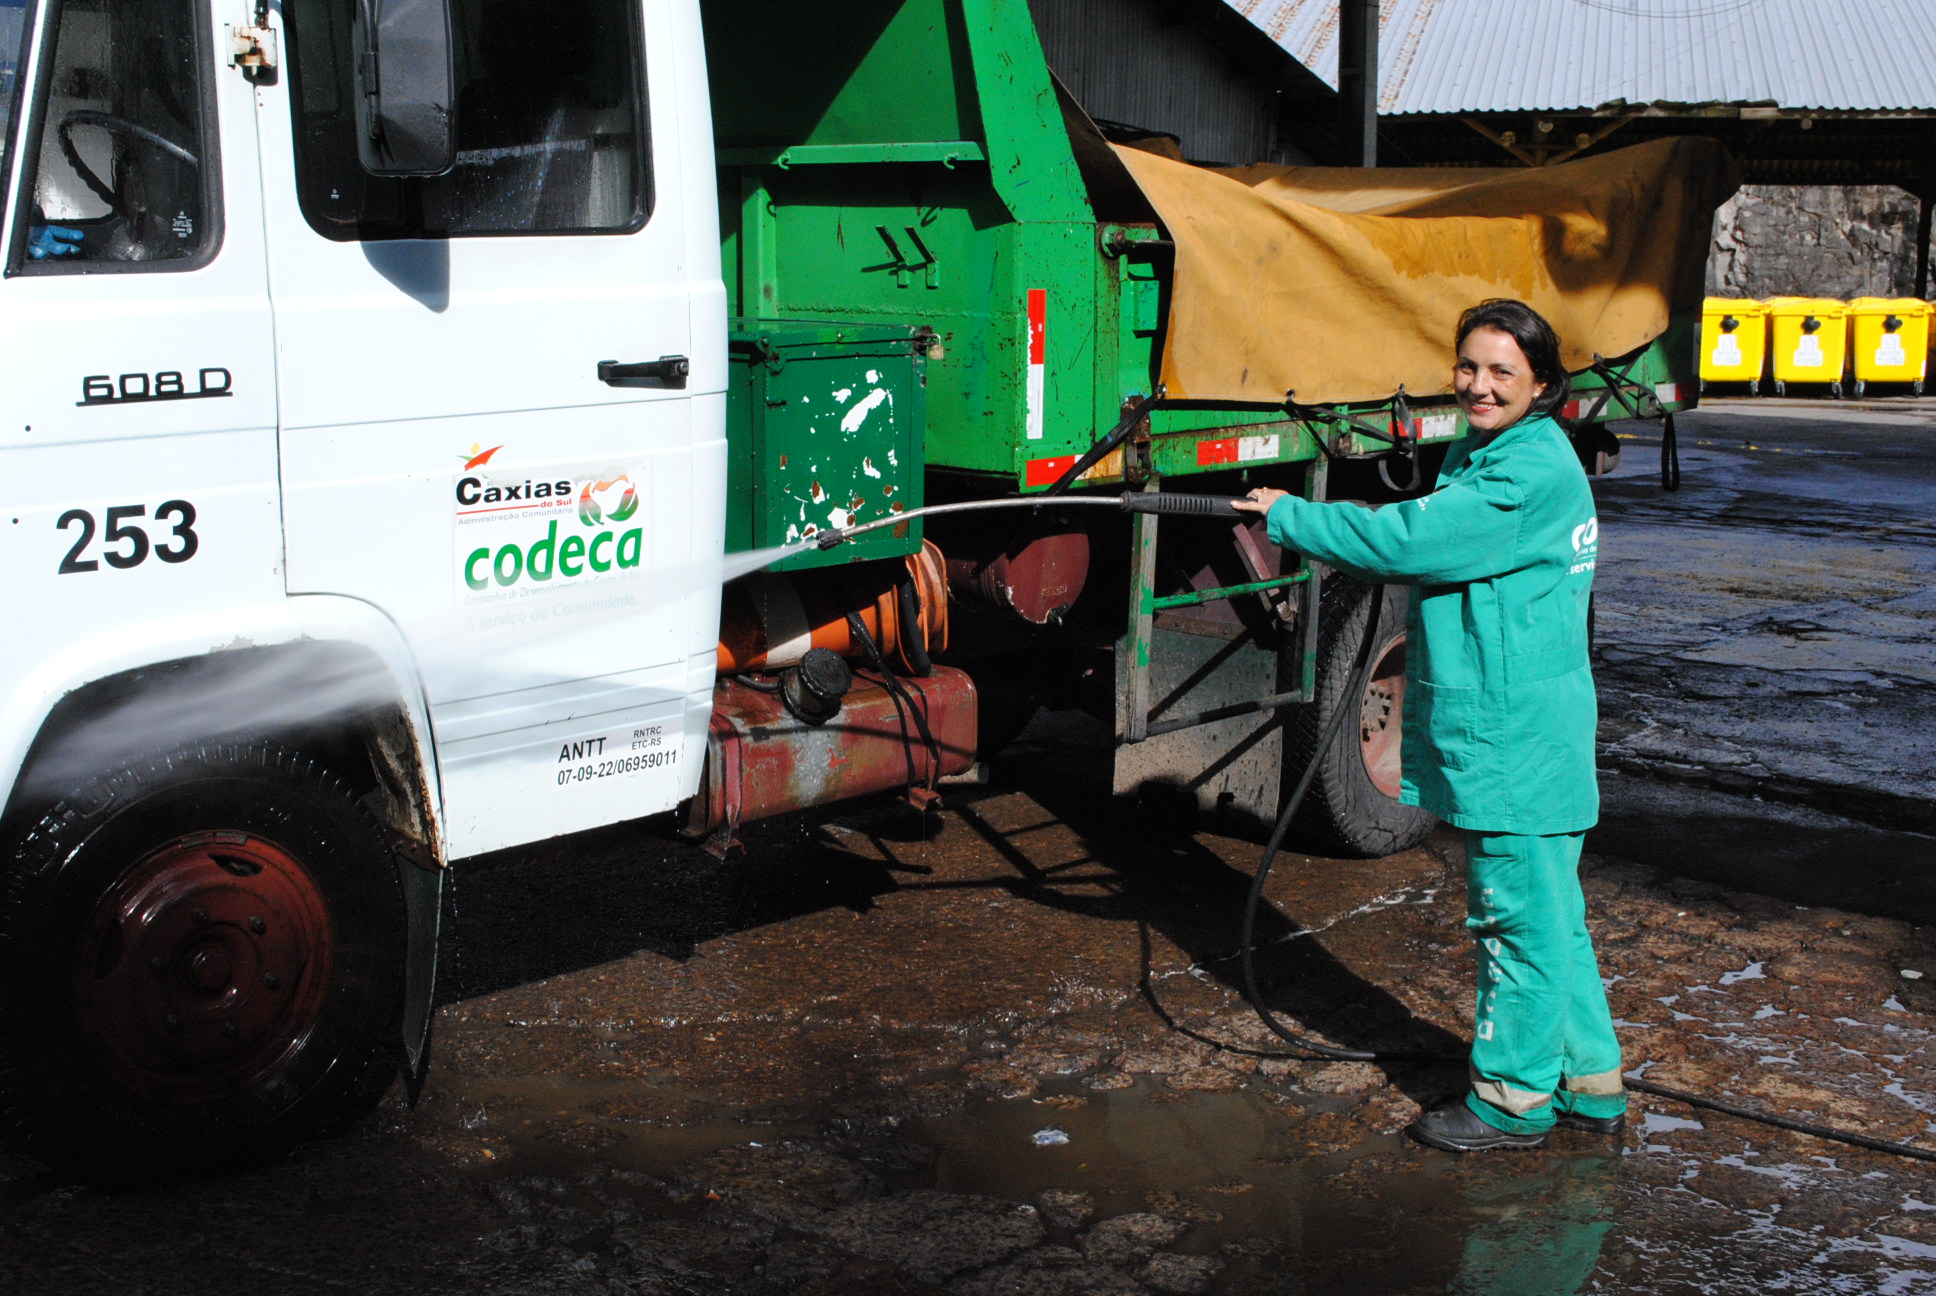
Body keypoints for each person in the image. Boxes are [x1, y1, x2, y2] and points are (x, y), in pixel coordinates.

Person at [1233, 298, 1624, 1152]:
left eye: (1502, 373)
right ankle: (1590, 1083)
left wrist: (1289, 516)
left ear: (1545, 386)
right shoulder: (1503, 448)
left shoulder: (1524, 475)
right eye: (1468, 367)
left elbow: (1413, 539)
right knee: (1551, 912)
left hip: (1516, 733)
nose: (1479, 386)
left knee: (1516, 918)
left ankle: (1514, 1102)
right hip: (1532, 721)